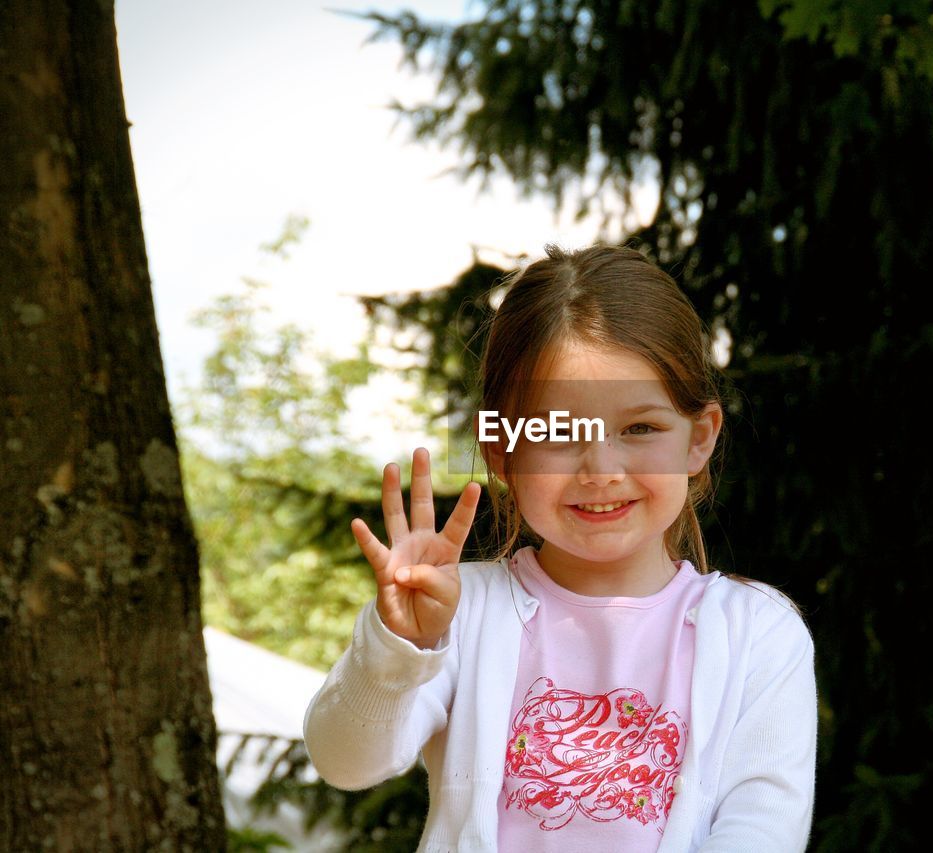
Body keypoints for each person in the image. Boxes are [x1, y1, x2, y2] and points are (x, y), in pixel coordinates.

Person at [303, 244, 818, 852]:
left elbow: (761, 831)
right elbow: (347, 762)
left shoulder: (757, 631)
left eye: (640, 428)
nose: (600, 468)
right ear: (500, 449)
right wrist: (402, 647)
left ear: (699, 438)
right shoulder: (457, 613)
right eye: (558, 432)